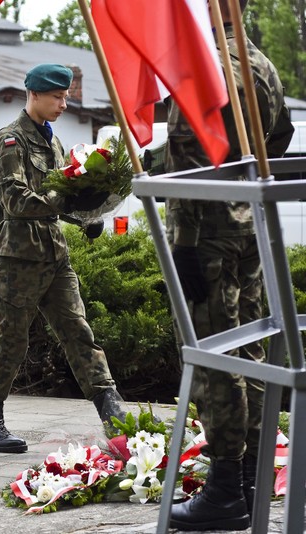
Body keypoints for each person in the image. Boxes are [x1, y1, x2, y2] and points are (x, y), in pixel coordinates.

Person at [166, 0, 294, 530]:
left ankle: (225, 491)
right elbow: (281, 136)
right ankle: (250, 477)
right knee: (252, 354)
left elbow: (184, 150)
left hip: (209, 234)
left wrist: (187, 240)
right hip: (248, 226)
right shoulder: (259, 60)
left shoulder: (206, 63)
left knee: (217, 360)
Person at [0, 63, 128, 454]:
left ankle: (114, 414)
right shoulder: (10, 142)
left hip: (55, 254)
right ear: (35, 94)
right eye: (57, 97)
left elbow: (56, 194)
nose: (64, 103)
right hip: (18, 259)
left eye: (66, 96)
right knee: (11, 341)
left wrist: (84, 217)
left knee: (78, 332)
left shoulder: (52, 140)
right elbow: (16, 200)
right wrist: (67, 199)